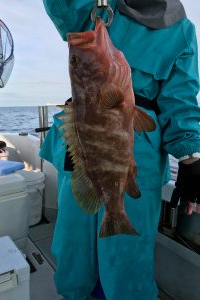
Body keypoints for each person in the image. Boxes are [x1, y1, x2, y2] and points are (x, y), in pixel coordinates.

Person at [39, 1, 200, 299]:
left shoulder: (182, 30)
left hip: (139, 144)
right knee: (74, 238)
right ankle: (73, 293)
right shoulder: (99, 5)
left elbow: (181, 97)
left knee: (127, 252)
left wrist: (191, 159)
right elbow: (62, 8)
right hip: (84, 131)